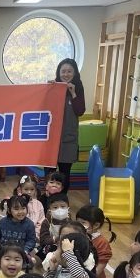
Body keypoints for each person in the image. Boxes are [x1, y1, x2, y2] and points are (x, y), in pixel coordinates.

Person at [48, 58, 86, 193]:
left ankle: (62, 200)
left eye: (69, 71)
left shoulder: (78, 88)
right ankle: (48, 199)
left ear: (74, 73)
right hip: (51, 139)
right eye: (63, 71)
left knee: (65, 174)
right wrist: (48, 89)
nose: (66, 74)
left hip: (68, 139)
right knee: (49, 173)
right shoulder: (53, 87)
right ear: (58, 73)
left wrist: (73, 93)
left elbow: (80, 111)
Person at [76, 205, 116, 278]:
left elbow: (98, 270)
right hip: (75, 273)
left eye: (83, 223)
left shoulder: (102, 243)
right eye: (77, 222)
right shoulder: (76, 235)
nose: (79, 226)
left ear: (96, 225)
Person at [0, 195, 36, 260]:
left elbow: (31, 240)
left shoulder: (29, 224)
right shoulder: (3, 222)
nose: (20, 211)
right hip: (5, 252)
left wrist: (25, 250)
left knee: (29, 262)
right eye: (16, 209)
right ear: (9, 210)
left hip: (20, 253)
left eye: (23, 208)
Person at [39, 192, 70, 258]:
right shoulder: (46, 222)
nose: (59, 210)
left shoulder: (70, 222)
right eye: (55, 207)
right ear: (50, 210)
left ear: (68, 208)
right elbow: (43, 240)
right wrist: (55, 239)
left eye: (63, 207)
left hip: (67, 246)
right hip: (52, 247)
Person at [14, 174, 45, 241]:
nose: (29, 192)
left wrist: (36, 234)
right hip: (17, 234)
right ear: (20, 189)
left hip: (34, 236)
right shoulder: (15, 203)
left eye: (32, 189)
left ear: (35, 190)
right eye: (26, 189)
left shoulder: (38, 204)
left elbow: (41, 222)